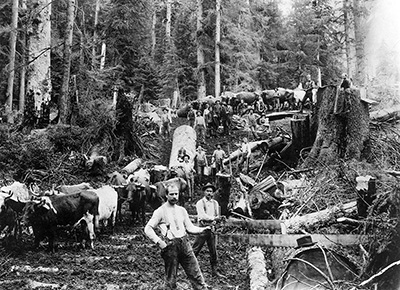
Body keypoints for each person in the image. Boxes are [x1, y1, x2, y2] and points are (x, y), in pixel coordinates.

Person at [144, 185, 211, 290]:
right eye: (171, 194)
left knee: (196, 274)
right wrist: (159, 242)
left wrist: (203, 229)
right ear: (166, 195)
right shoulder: (160, 211)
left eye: (176, 194)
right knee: (171, 280)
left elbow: (190, 228)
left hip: (185, 244)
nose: (174, 197)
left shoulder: (182, 210)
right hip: (170, 246)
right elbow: (148, 228)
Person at [192, 183, 226, 278]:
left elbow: (217, 216)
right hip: (202, 229)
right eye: (207, 191)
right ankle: (189, 269)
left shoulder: (215, 203)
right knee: (195, 249)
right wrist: (214, 219)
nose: (209, 193)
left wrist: (219, 219)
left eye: (211, 191)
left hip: (212, 230)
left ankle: (214, 272)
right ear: (204, 192)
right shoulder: (200, 203)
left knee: (213, 251)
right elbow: (202, 216)